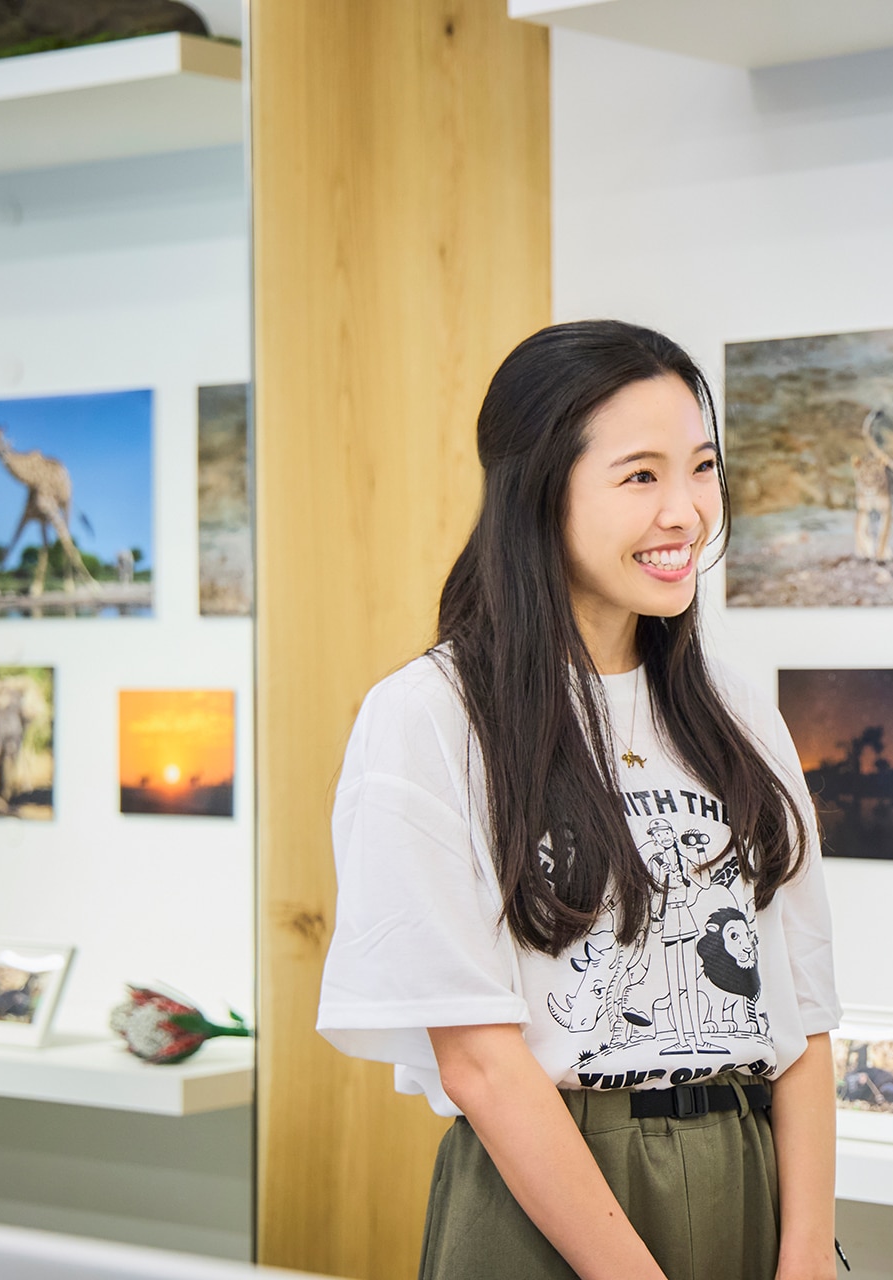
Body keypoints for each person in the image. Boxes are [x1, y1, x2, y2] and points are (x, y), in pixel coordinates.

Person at [317, 320, 842, 1280]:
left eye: (702, 467)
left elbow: (802, 1016)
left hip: (745, 1173)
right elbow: (479, 1060)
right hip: (552, 1197)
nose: (687, 511)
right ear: (538, 491)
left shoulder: (735, 711)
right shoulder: (430, 718)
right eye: (640, 476)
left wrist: (806, 1252)